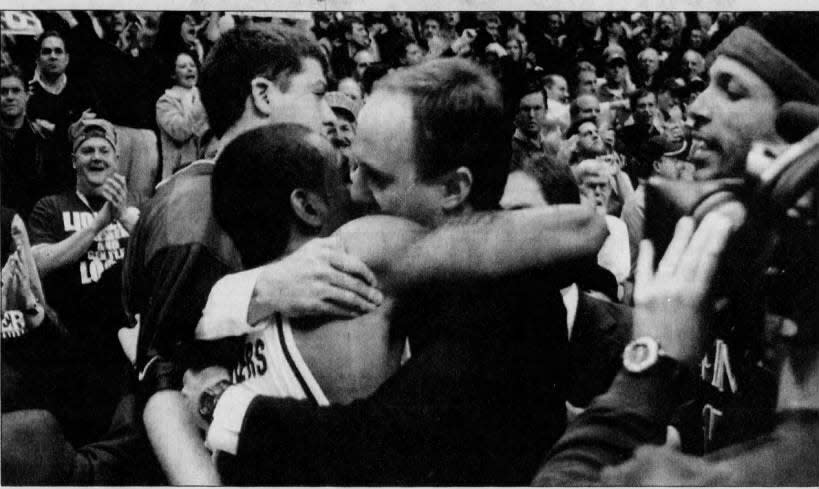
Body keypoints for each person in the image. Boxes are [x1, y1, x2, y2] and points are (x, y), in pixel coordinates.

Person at [182, 57, 607, 485]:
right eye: (354, 165)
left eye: (379, 178)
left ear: (453, 189)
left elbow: (374, 446)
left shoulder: (512, 305)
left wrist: (220, 404)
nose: (355, 189)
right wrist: (260, 289)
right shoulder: (383, 252)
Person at [533, 13, 819, 484]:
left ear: (800, 133)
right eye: (706, 83)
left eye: (732, 89)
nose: (698, 106)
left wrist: (632, 400)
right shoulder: (723, 252)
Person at [124, 25, 354, 485]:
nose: (328, 115)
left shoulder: (259, 191)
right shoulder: (195, 207)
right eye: (316, 93)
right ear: (263, 95)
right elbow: (165, 371)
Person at [7, 117, 155, 484]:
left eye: (104, 150)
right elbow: (37, 263)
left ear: (116, 159)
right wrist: (98, 224)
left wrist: (126, 219)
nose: (96, 157)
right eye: (87, 151)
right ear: (74, 160)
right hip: (75, 337)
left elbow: (160, 251)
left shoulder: (136, 204)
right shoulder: (51, 206)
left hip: (129, 337)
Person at [1, 64, 55, 219]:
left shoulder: (44, 142)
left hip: (36, 226)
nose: (10, 97)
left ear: (27, 95)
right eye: (3, 92)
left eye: (16, 91)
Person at [155, 51, 209, 180]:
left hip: (206, 169)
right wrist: (201, 104)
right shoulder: (165, 102)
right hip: (179, 173)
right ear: (173, 74)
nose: (190, 69)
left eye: (192, 65)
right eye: (183, 66)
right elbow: (181, 131)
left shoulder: (204, 96)